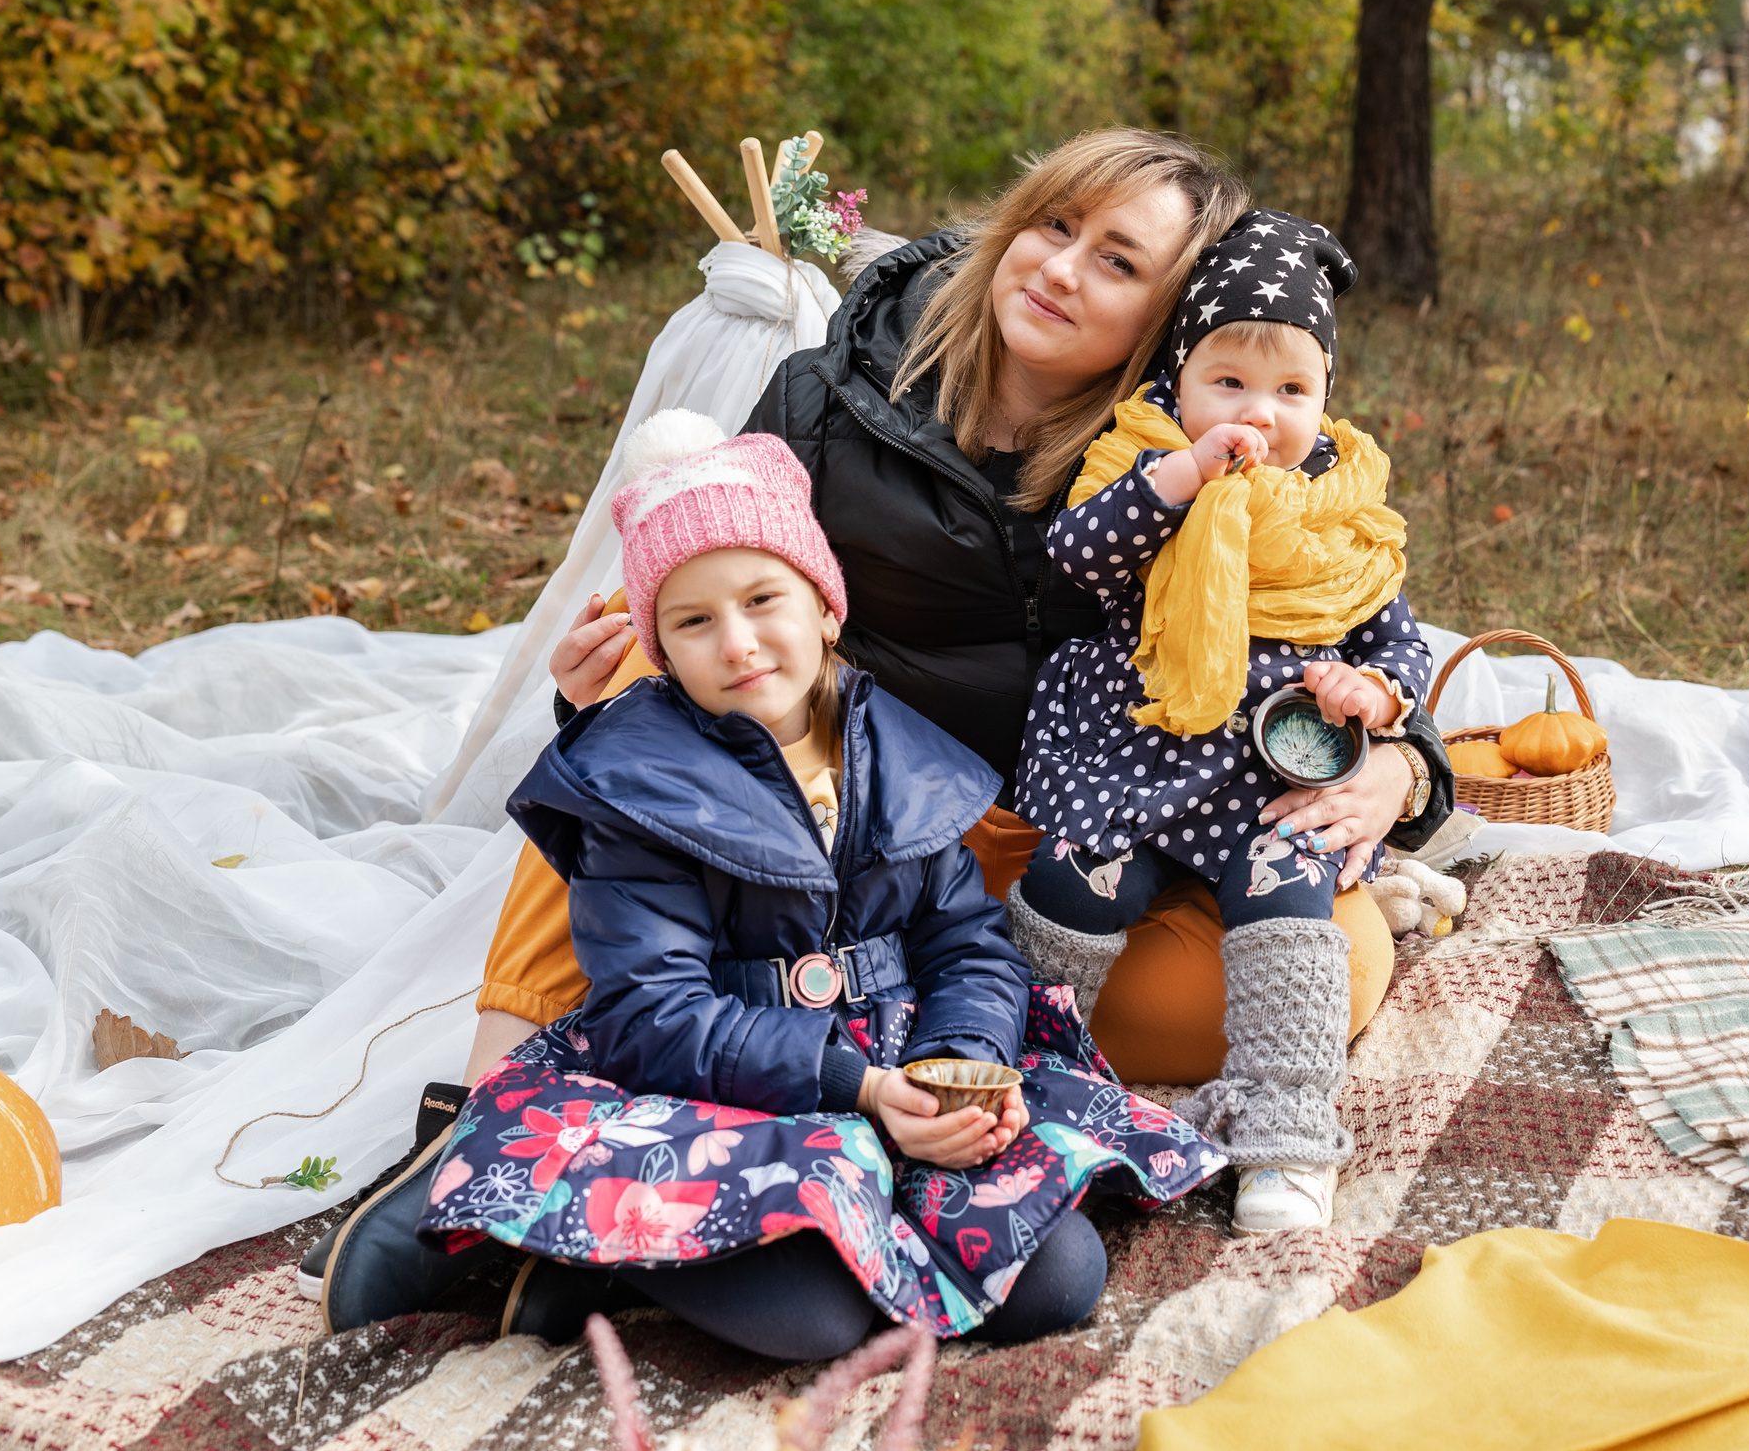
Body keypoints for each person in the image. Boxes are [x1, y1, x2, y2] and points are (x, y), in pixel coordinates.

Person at [295, 128, 1454, 1296]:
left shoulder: (1186, 456)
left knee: (1340, 962)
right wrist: (594, 679)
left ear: (1169, 319)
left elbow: (1350, 630)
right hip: (818, 777)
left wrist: (1401, 765)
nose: (1059, 269)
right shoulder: (834, 390)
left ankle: (877, 1067)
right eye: (1054, 225)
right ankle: (480, 1127)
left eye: (1116, 261)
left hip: (1025, 832)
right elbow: (698, 578)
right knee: (635, 732)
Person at [318, 412, 1225, 1350]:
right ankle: (591, 1259)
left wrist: (953, 1068)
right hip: (727, 1088)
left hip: (903, 1069)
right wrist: (860, 1086)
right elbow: (652, 1014)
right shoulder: (643, 791)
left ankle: (683, 1259)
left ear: (825, 607)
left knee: (1057, 1279)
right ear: (660, 649)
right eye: (695, 621)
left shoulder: (896, 755)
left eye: (763, 600)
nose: (739, 641)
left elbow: (965, 942)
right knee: (813, 1316)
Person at [1005, 211, 1428, 1237]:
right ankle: (1037, 1068)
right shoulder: (1144, 457)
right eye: (1228, 380)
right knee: (1073, 874)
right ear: (1179, 379)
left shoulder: (1340, 506)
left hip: (1272, 770)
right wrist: (1187, 472)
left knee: (1289, 898)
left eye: (1291, 390)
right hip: (1138, 749)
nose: (1260, 412)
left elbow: (1397, 635)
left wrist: (1376, 696)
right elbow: (1080, 555)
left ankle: (1284, 1129)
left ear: (1324, 397)